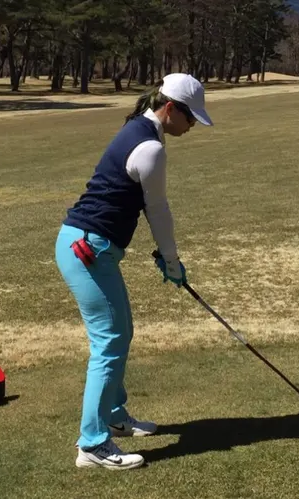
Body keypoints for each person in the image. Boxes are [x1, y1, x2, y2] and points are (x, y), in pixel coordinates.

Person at [55, 72, 213, 470]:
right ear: (171, 108)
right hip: (86, 248)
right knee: (109, 341)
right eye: (191, 117)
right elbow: (157, 211)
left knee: (119, 333)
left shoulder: (140, 128)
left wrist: (169, 259)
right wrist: (172, 262)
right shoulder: (150, 147)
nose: (192, 126)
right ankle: (92, 445)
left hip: (90, 246)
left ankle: (114, 415)